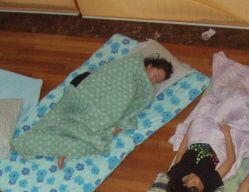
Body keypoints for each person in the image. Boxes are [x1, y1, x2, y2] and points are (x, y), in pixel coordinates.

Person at [12, 53, 173, 169]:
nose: (154, 80)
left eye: (158, 80)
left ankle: (62, 148)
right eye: (155, 74)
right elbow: (108, 75)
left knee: (96, 141)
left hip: (106, 112)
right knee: (62, 118)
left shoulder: (147, 92)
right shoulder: (131, 64)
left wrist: (115, 129)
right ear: (149, 66)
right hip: (86, 93)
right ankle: (52, 143)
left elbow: (133, 109)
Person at [167, 121, 236, 192]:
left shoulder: (177, 172)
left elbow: (181, 152)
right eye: (200, 186)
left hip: (195, 139)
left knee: (198, 120)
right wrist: (227, 133)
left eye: (194, 183)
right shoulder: (210, 181)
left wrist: (188, 132)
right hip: (216, 143)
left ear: (184, 185)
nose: (198, 180)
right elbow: (231, 160)